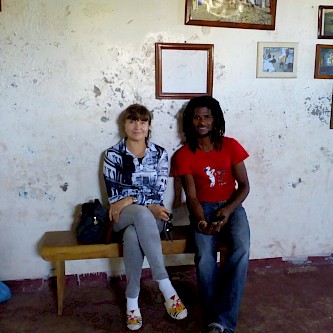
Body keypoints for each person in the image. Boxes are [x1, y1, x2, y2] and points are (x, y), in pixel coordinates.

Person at [103, 104, 187, 331]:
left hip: (153, 217)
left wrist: (129, 198)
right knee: (139, 214)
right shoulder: (112, 155)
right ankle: (165, 284)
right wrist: (135, 202)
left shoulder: (159, 154)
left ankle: (132, 303)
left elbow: (157, 192)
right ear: (124, 125)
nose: (137, 126)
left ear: (149, 126)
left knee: (132, 236)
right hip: (122, 215)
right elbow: (114, 196)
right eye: (132, 121)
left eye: (142, 121)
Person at [171, 96, 250, 333]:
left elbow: (244, 186)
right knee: (204, 256)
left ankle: (223, 320)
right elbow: (192, 197)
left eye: (206, 116)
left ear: (215, 119)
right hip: (203, 207)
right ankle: (212, 318)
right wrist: (202, 220)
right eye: (196, 117)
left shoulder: (231, 145)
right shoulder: (184, 154)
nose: (201, 121)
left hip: (232, 206)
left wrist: (226, 212)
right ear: (189, 121)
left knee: (242, 248)